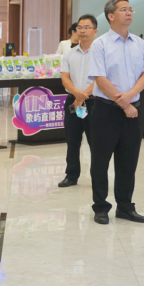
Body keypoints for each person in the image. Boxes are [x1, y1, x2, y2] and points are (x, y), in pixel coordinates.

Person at [88, 0, 144, 225]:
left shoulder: (140, 43)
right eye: (123, 9)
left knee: (128, 162)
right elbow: (100, 78)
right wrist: (124, 103)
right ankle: (100, 207)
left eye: (130, 9)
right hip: (105, 111)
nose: (129, 13)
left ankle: (125, 207)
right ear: (111, 15)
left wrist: (131, 97)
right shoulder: (100, 44)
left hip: (133, 113)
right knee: (100, 162)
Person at [58, 14, 98, 188]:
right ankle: (71, 175)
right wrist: (77, 95)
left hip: (94, 102)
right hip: (72, 102)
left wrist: (83, 96)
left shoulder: (101, 53)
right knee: (72, 140)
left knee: (96, 141)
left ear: (95, 31)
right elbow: (65, 78)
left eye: (87, 27)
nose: (82, 31)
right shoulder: (69, 54)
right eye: (80, 27)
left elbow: (102, 79)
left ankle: (97, 176)